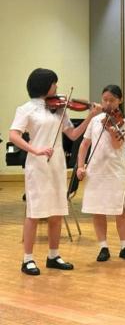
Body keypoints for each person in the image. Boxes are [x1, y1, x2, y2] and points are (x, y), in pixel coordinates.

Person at [9, 68, 102, 275]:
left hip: (57, 163)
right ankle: (27, 259)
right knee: (34, 212)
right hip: (37, 165)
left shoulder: (59, 109)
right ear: (45, 85)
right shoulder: (26, 109)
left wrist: (90, 116)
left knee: (57, 211)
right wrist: (35, 150)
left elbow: (73, 134)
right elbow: (13, 135)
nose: (57, 86)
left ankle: (53, 255)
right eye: (54, 83)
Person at [77, 85, 125, 262]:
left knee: (121, 210)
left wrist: (112, 131)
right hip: (95, 171)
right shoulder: (96, 120)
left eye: (112, 100)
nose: (108, 103)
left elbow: (118, 145)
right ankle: (103, 247)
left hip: (115, 170)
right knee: (98, 210)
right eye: (105, 100)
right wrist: (80, 166)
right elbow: (84, 144)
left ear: (120, 100)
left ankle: (124, 247)